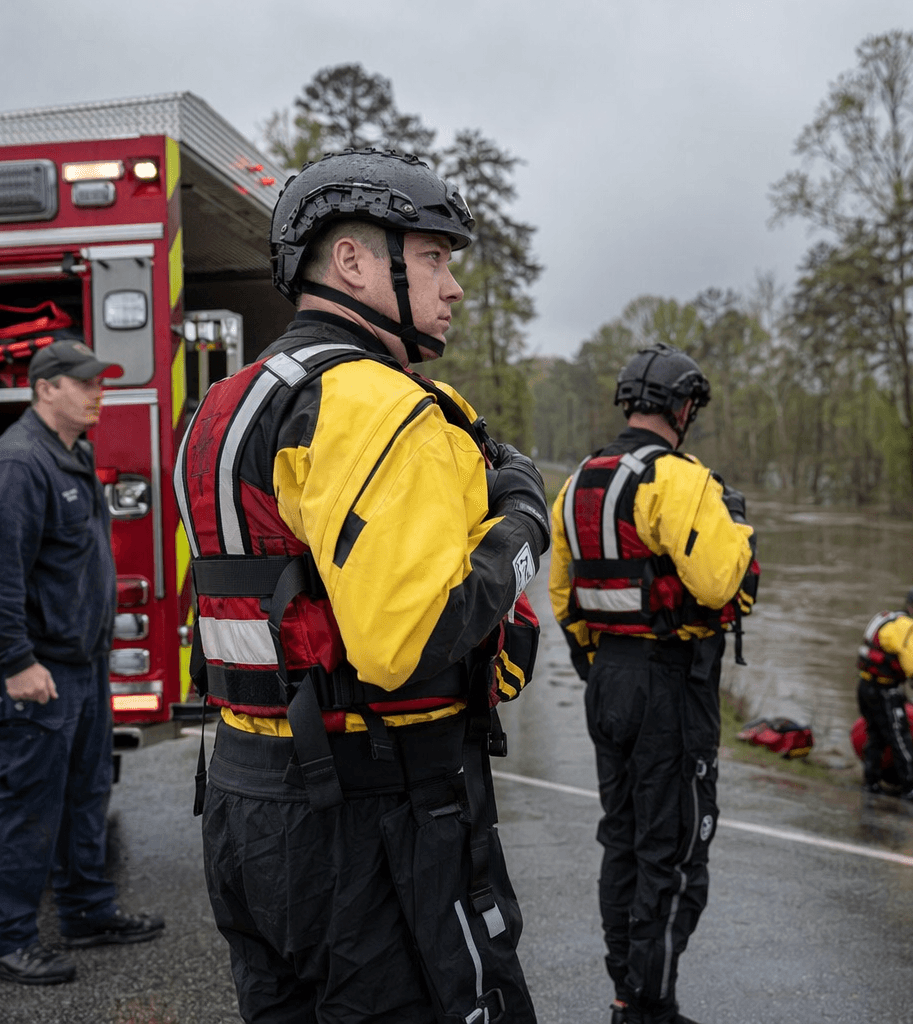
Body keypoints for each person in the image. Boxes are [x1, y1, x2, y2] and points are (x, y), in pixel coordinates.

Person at [177, 150, 548, 1024]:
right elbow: (409, 642)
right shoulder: (382, 405)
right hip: (379, 819)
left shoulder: (220, 409)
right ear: (353, 262)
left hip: (246, 807)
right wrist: (524, 526)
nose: (453, 286)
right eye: (433, 258)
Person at [549, 343, 758, 1024]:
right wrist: (737, 527)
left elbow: (561, 597)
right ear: (682, 406)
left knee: (625, 840)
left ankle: (626, 992)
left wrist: (598, 663)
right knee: (676, 847)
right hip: (671, 683)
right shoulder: (682, 480)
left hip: (608, 677)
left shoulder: (578, 479)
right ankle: (650, 1006)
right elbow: (722, 583)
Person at [0, 340, 164, 985]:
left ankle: (86, 911)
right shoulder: (17, 465)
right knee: (24, 804)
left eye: (99, 381)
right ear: (45, 388)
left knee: (85, 797)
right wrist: (16, 662)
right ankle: (6, 941)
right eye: (82, 383)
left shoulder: (68, 455)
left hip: (79, 667)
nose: (97, 391)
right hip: (37, 672)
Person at [856, 585, 913, 803]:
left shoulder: (886, 617)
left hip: (865, 687)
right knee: (900, 737)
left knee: (875, 737)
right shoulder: (910, 627)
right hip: (885, 691)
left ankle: (871, 783)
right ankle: (910, 789)